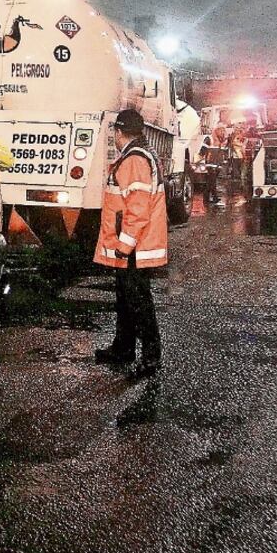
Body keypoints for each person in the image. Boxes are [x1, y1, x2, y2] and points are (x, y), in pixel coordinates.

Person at [93, 109, 168, 378]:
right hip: (135, 244)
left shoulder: (134, 160)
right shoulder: (139, 155)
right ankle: (123, 347)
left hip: (135, 246)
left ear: (118, 132)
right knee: (126, 299)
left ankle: (151, 357)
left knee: (138, 302)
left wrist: (124, 245)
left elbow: (137, 209)